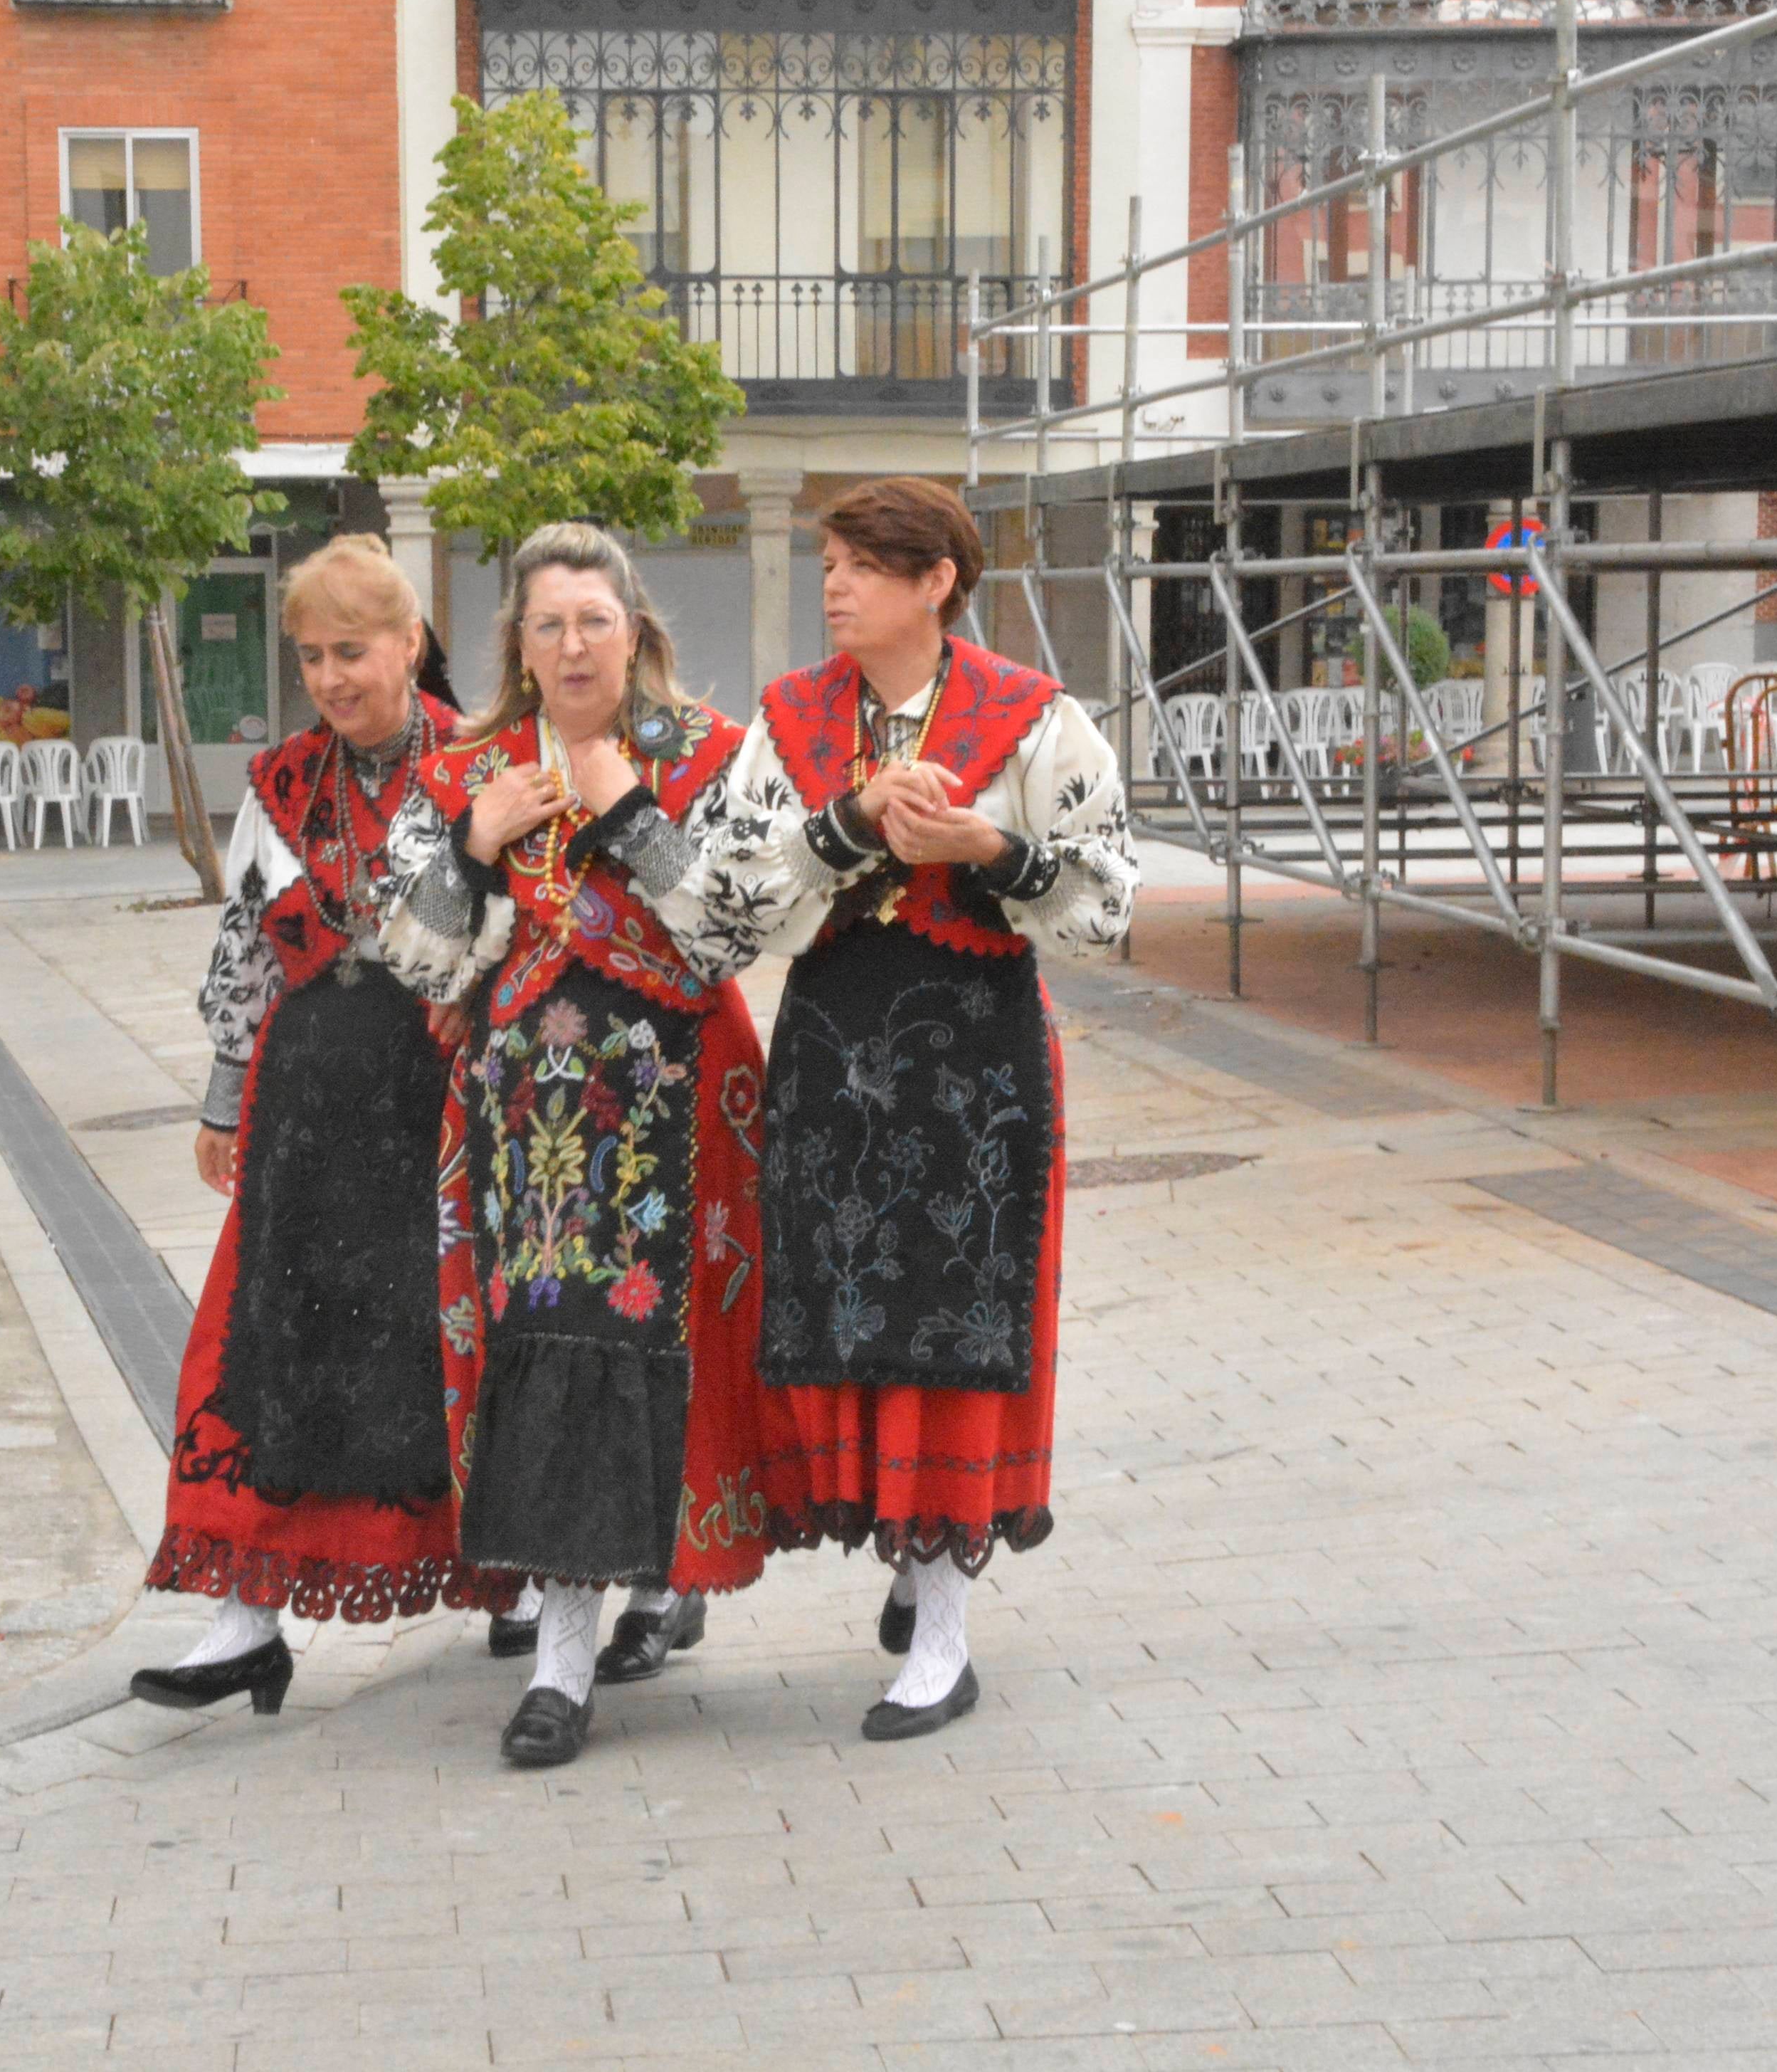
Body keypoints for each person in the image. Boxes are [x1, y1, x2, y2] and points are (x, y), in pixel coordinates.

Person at [691, 478, 1139, 1738]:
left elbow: (1110, 908)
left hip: (977, 1072)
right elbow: (719, 912)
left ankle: (942, 1632)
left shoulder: (1036, 718)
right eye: (827, 562)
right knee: (852, 1316)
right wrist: (842, 829)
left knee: (957, 1330)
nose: (831, 584)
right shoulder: (789, 722)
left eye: (859, 565)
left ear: (936, 580)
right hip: (834, 1055)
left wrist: (993, 856)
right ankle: (908, 1557)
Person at [380, 521, 792, 1768]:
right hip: (529, 1133)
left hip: (680, 1108)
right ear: (518, 640)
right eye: (547, 625)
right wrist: (473, 846)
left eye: (594, 622)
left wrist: (628, 816)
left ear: (636, 630)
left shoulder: (712, 755)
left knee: (670, 1350)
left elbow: (734, 932)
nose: (571, 646)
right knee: (554, 1356)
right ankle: (562, 1660)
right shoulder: (467, 767)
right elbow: (412, 956)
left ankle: (661, 1588)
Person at [131, 537, 472, 1715]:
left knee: (445, 1346)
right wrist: (226, 1101)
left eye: (354, 650)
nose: (331, 676)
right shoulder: (281, 780)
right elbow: (245, 945)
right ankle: (247, 1618)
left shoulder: (482, 769)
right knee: (274, 1348)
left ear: (412, 643)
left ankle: (516, 1577)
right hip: (310, 1104)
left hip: (443, 1100)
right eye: (312, 655)